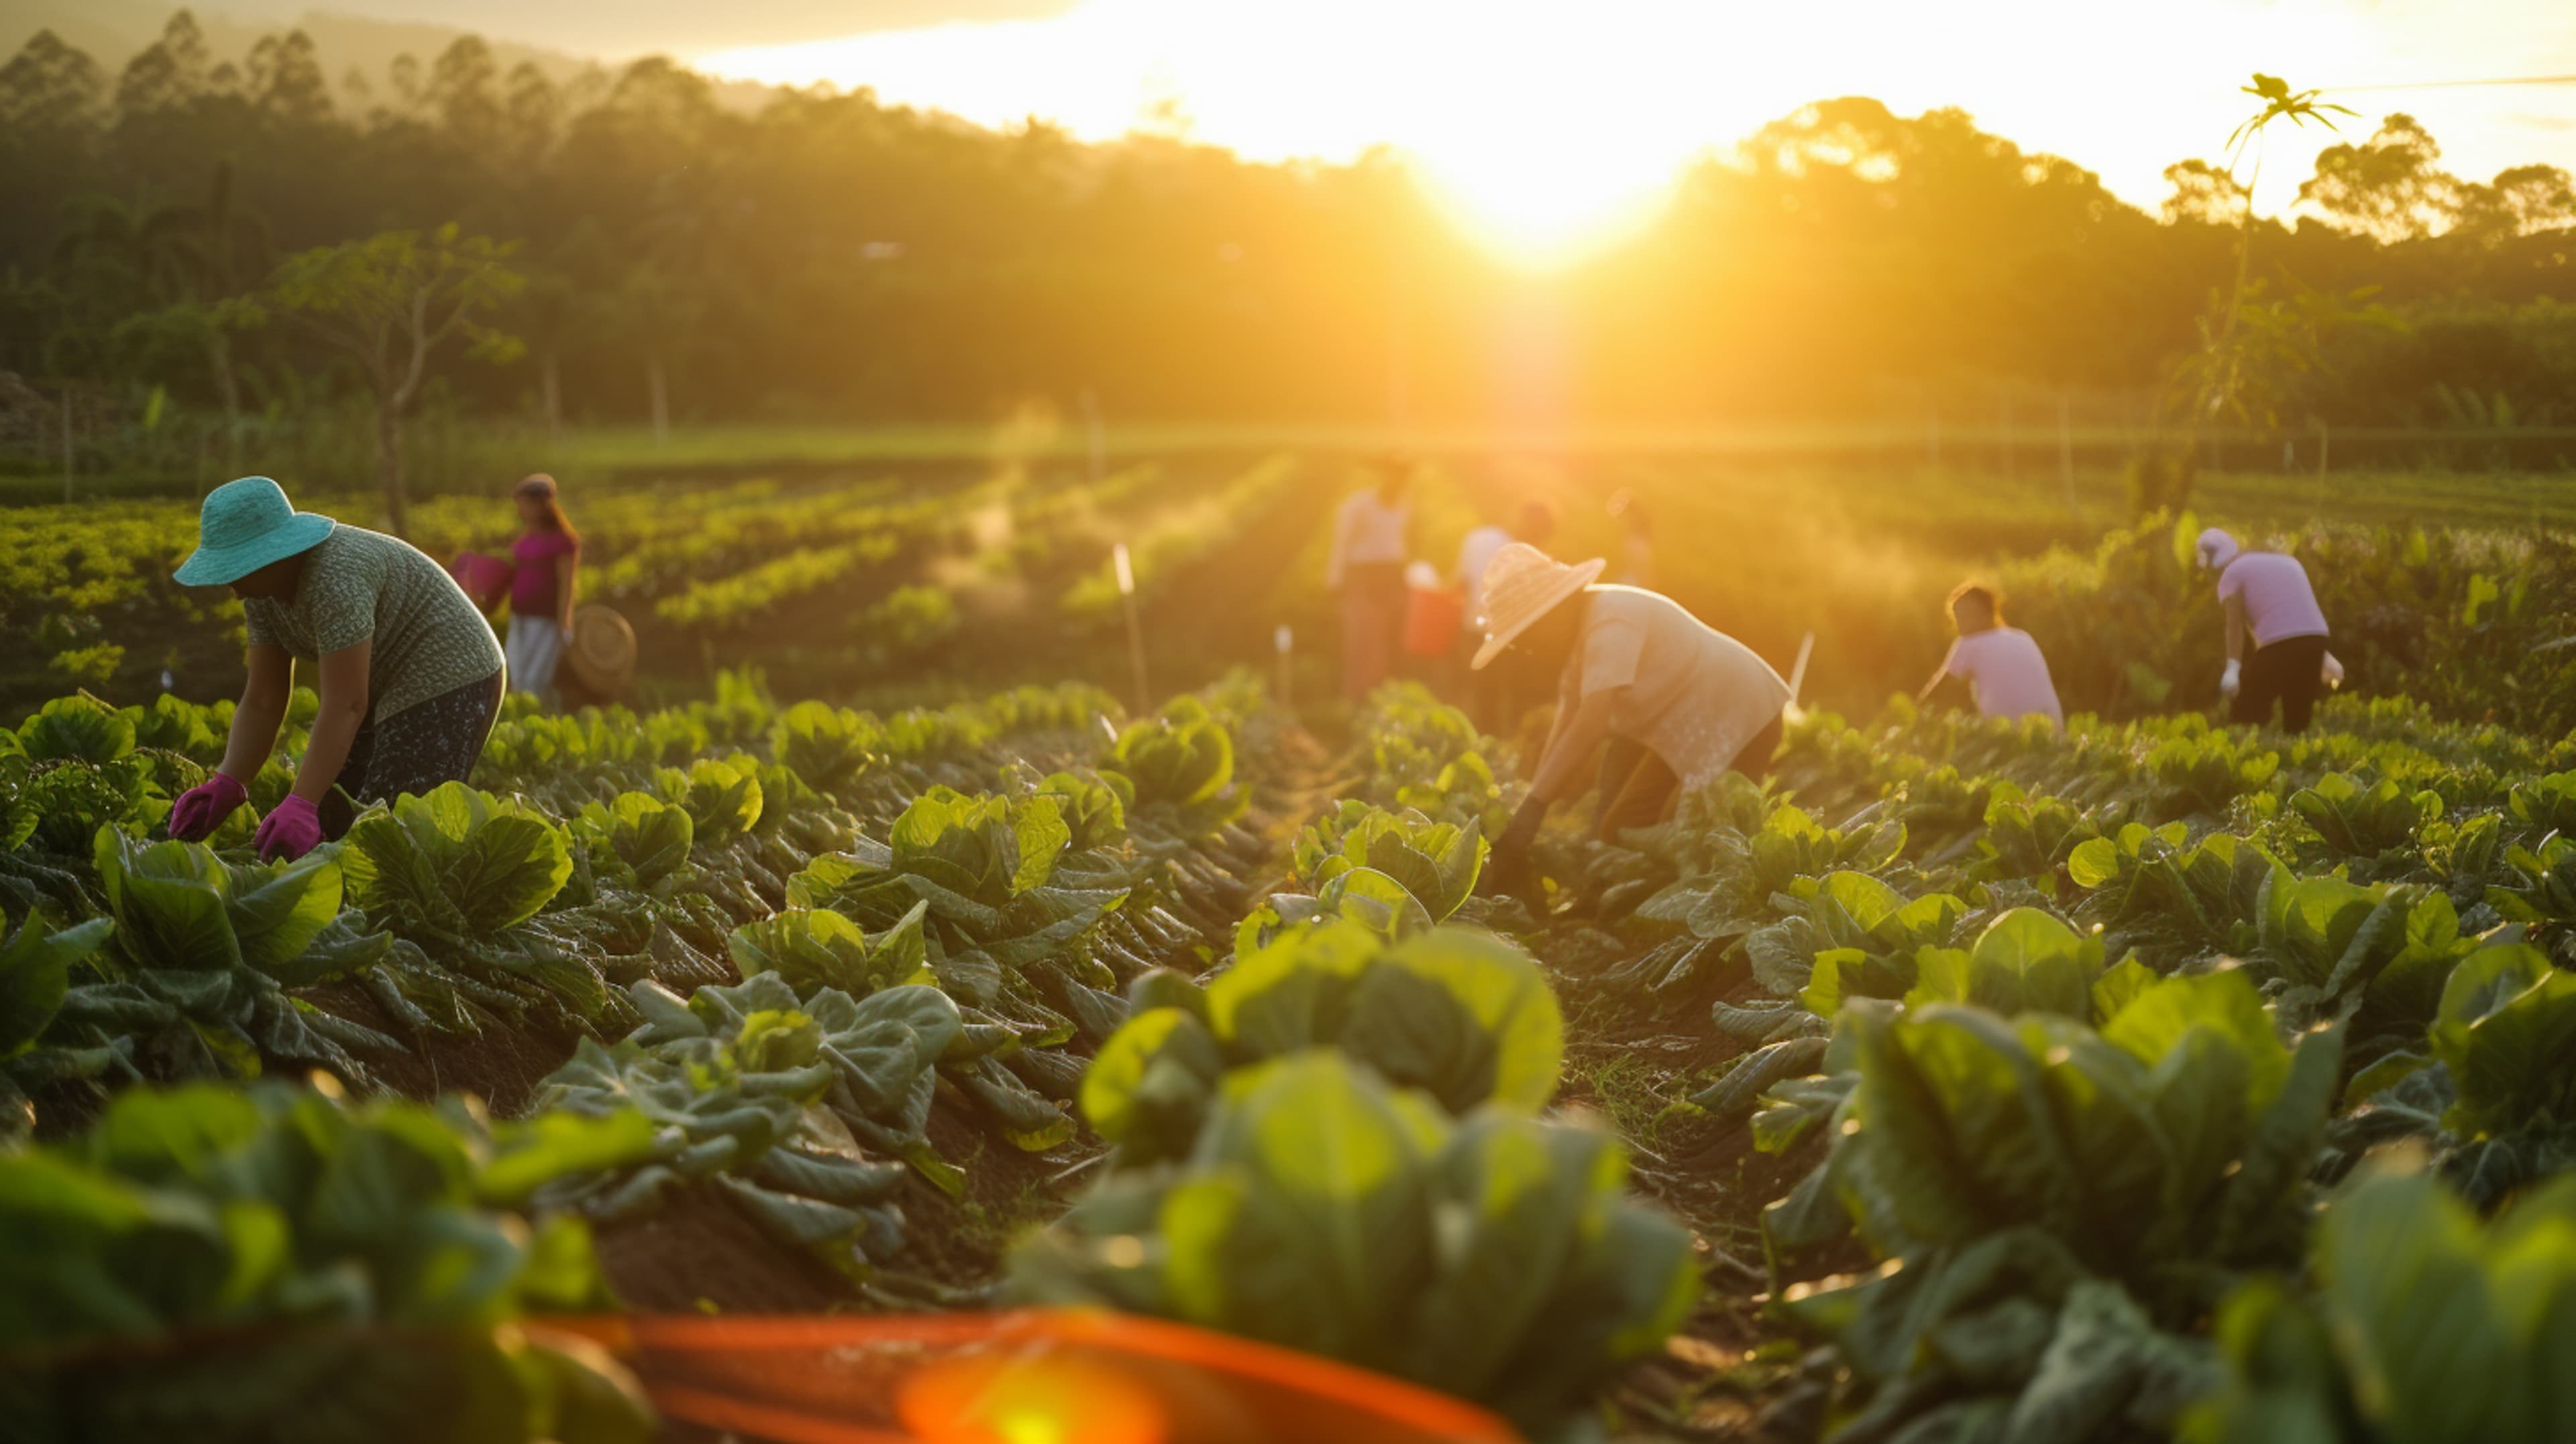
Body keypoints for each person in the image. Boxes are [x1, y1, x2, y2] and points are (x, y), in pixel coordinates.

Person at [166, 476, 507, 860]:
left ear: (274, 554)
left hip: (451, 670)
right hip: (383, 682)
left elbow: (346, 704)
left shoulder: (335, 578)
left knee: (390, 828)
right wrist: (229, 780)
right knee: (335, 816)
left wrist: (301, 802)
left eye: (237, 569)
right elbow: (264, 697)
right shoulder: (261, 592)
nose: (231, 584)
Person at [1474, 544, 1790, 889]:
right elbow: (1568, 722)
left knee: (1705, 840)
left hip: (1740, 711)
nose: (1529, 649)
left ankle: (1721, 918)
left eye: (1527, 636)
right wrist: (1531, 804)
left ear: (1552, 612)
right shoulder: (1577, 645)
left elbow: (1592, 723)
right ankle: (1630, 905)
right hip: (1687, 728)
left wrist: (1532, 812)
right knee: (1623, 828)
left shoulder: (1612, 617)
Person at [2196, 527, 2334, 734]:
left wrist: (2232, 668)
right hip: (2316, 639)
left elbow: (2234, 624)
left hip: (2280, 644)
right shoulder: (2287, 562)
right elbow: (2301, 615)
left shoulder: (2231, 573)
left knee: (2245, 715)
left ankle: (2245, 758)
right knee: (2297, 720)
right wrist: (2324, 657)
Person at [1452, 497, 1558, 729]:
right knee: (1515, 700)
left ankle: (1488, 748)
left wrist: (1459, 630)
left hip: (1475, 630)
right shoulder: (1532, 558)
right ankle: (1510, 749)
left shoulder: (1479, 538)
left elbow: (1460, 586)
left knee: (1483, 700)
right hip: (1509, 636)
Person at [1324, 454, 1415, 702]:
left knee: (1386, 640)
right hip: (1362, 576)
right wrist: (1335, 582)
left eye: (1402, 477)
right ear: (1383, 476)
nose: (1397, 482)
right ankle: (1355, 698)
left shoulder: (1404, 505)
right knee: (1361, 639)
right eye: (1393, 475)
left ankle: (1379, 698)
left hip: (1391, 575)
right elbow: (1341, 544)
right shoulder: (1357, 506)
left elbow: (1400, 542)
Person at [1917, 582, 2063, 728]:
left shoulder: (1969, 643)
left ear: (1986, 613)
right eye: (1957, 618)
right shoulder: (2023, 637)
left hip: (2008, 737)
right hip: (2052, 732)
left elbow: (1937, 694)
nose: (1960, 624)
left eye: (1966, 615)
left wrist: (1912, 718)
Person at [504, 473, 580, 709]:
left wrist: (564, 622)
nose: (522, 510)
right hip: (520, 615)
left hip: (545, 619)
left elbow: (567, 583)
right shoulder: (525, 538)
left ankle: (541, 720)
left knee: (535, 679)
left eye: (526, 504)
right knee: (515, 674)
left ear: (542, 505)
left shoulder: (563, 541)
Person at [1605, 487, 1655, 587]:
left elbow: (1643, 575)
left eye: (1623, 517)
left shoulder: (1637, 543)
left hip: (1633, 587)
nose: (1620, 522)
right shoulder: (1631, 538)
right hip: (1627, 584)